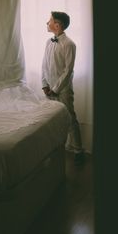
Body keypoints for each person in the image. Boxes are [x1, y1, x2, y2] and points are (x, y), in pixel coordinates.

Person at [41, 12, 85, 164]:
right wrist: (44, 85)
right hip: (49, 89)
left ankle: (78, 150)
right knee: (52, 118)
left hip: (63, 89)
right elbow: (44, 65)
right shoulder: (48, 42)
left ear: (57, 25)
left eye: (50, 21)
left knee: (70, 118)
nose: (47, 23)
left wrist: (56, 88)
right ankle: (57, 148)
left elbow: (68, 70)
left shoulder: (69, 44)